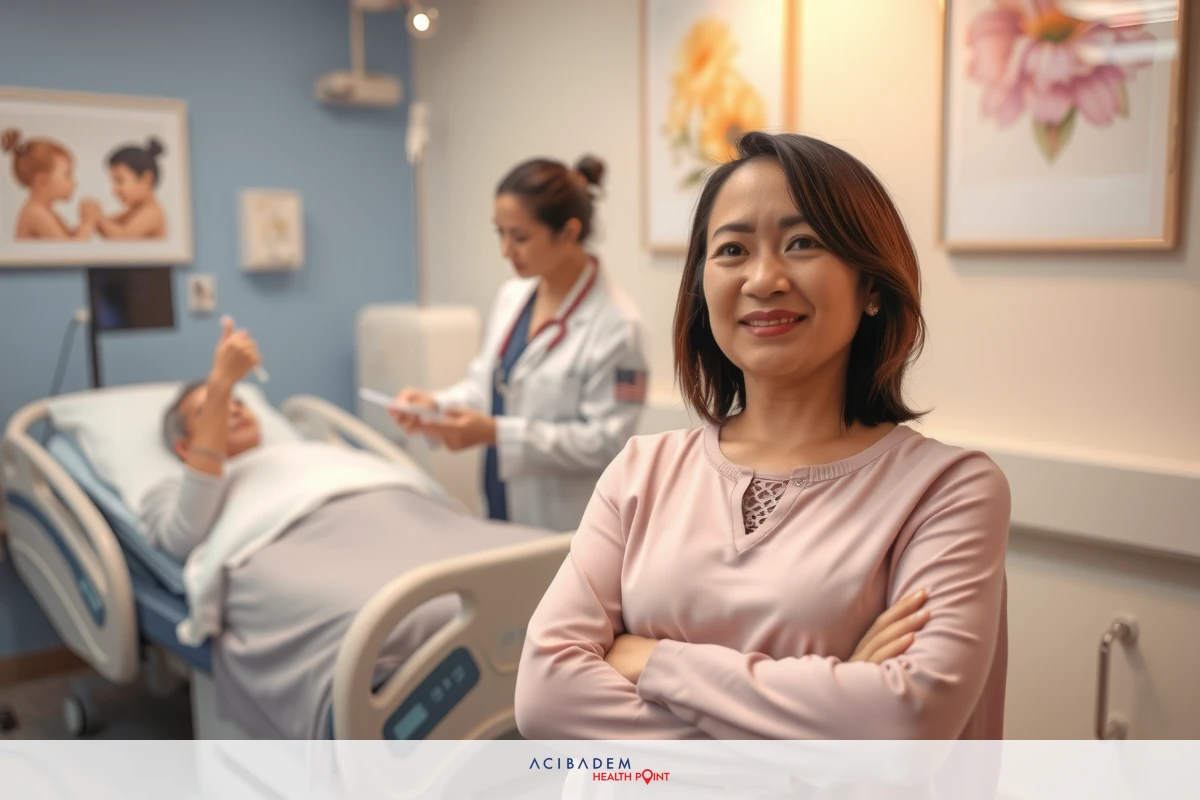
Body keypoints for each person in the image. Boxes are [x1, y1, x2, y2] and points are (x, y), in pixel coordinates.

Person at [514, 132, 1010, 740]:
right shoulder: (642, 471)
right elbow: (544, 700)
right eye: (731, 250)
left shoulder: (947, 491)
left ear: (872, 284)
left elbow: (905, 722)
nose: (764, 278)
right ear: (702, 285)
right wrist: (828, 715)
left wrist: (651, 660)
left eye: (802, 242)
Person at [141, 318, 550, 739]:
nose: (232, 408)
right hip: (302, 542)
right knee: (386, 611)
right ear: (185, 447)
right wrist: (223, 382)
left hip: (403, 517)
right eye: (209, 408)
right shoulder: (173, 489)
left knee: (565, 567)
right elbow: (182, 535)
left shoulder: (312, 452)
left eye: (237, 402)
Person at [391, 155, 649, 532]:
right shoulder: (513, 297)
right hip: (501, 499)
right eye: (500, 233)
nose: (506, 251)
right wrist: (436, 407)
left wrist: (497, 433)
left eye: (520, 237)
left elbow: (606, 443)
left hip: (568, 525)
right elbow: (487, 389)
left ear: (569, 233)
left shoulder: (617, 325)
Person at [1, 128, 100, 241]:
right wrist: (87, 223)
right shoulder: (37, 214)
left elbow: (66, 239)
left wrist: (87, 223)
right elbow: (68, 253)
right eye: (67, 175)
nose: (74, 182)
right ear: (42, 180)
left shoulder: (44, 210)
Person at [90, 138, 167, 240]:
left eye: (120, 181)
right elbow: (111, 223)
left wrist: (98, 218)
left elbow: (123, 236)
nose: (114, 190)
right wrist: (93, 218)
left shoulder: (152, 212)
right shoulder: (133, 211)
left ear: (146, 179)